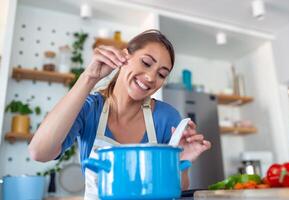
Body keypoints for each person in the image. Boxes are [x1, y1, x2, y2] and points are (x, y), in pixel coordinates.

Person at [29, 29, 211, 199]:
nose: (150, 77)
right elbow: (39, 152)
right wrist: (89, 77)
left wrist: (181, 163)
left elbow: (177, 191)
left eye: (161, 74)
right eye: (146, 63)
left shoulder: (167, 117)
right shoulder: (90, 109)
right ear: (125, 57)